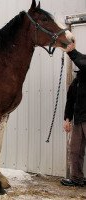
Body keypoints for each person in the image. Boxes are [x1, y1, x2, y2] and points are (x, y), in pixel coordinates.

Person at [61, 42, 86, 187]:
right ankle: (76, 178)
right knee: (75, 150)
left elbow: (83, 62)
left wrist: (71, 52)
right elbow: (70, 101)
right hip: (78, 120)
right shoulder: (76, 82)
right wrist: (67, 119)